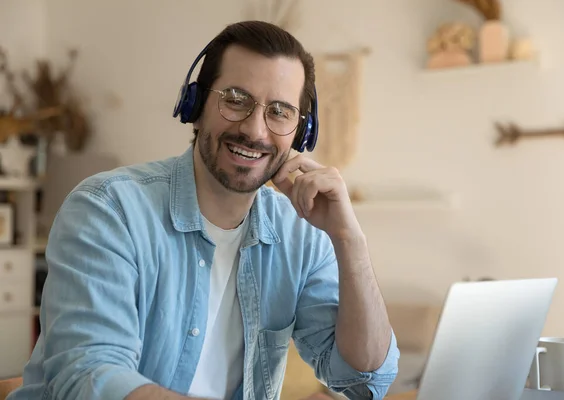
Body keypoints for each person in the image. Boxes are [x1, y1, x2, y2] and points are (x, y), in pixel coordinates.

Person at [8, 20, 399, 400]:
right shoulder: (109, 210)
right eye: (235, 100)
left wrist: (349, 240)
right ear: (194, 104)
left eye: (279, 111)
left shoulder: (301, 236)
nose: (255, 131)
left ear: (302, 131)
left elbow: (363, 379)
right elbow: (89, 378)